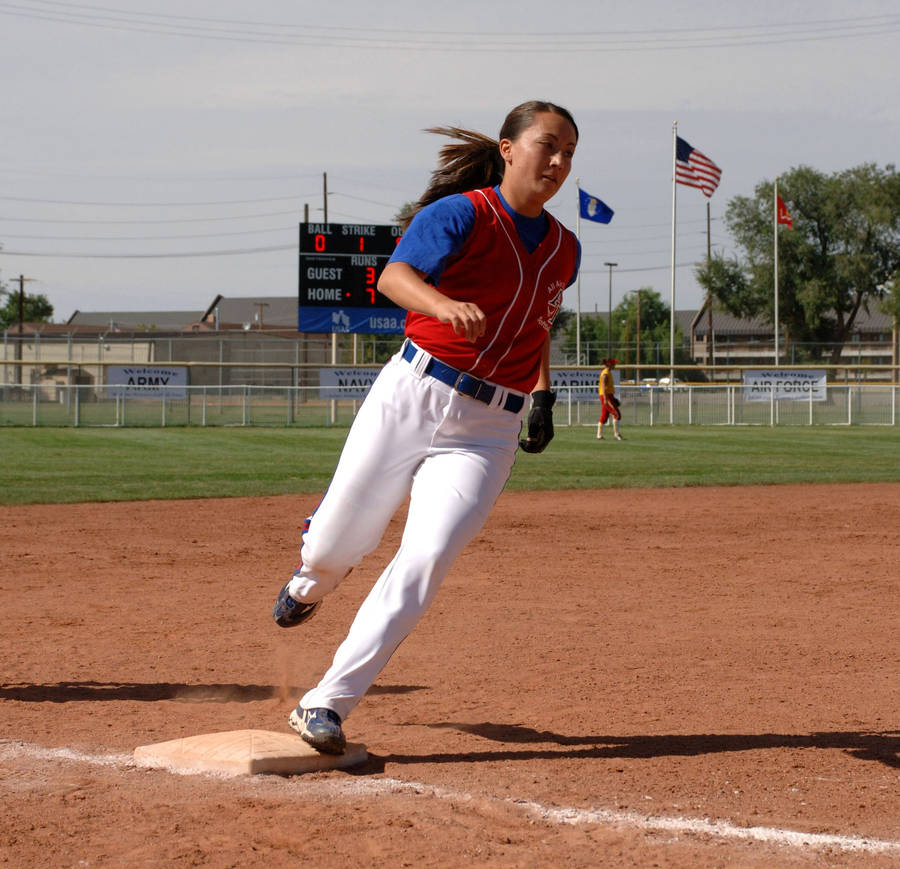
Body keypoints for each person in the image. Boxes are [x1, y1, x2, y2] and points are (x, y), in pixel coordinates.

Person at [271, 100, 582, 754]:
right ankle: (310, 582)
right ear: (508, 149)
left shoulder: (565, 249)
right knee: (334, 546)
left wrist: (543, 394)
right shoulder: (463, 214)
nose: (558, 161)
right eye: (548, 145)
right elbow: (394, 277)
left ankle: (326, 701)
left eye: (568, 152)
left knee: (427, 558)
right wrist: (442, 303)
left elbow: (539, 324)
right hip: (414, 392)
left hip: (488, 430)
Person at [597, 357, 623, 440]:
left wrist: (612, 397)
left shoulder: (608, 372)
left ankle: (599, 435)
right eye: (614, 364)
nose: (615, 365)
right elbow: (603, 387)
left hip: (609, 396)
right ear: (609, 364)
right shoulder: (605, 374)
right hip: (606, 396)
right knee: (617, 414)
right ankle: (616, 434)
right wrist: (605, 399)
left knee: (604, 416)